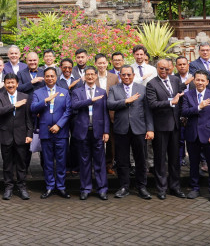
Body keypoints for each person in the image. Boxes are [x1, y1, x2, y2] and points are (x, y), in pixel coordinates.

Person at [107, 65, 153, 200]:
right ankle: (124, 187)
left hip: (139, 129)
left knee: (140, 159)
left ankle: (142, 187)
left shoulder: (142, 89)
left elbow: (147, 111)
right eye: (123, 75)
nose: (126, 77)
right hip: (121, 129)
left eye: (129, 74)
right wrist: (125, 101)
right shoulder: (114, 89)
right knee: (122, 160)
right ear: (120, 76)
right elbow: (109, 104)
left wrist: (150, 128)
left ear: (133, 75)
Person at [145, 58, 186, 199]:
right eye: (161, 68)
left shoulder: (175, 80)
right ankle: (161, 189)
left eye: (166, 69)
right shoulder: (151, 84)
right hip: (161, 127)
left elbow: (181, 98)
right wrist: (170, 103)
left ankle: (175, 187)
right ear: (157, 68)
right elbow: (152, 104)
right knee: (160, 159)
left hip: (175, 126)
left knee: (175, 159)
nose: (164, 71)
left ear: (171, 68)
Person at [30, 67, 71, 199]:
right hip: (45, 131)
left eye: (52, 76)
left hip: (61, 132)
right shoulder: (38, 92)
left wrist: (59, 125)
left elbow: (68, 111)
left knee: (61, 161)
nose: (50, 78)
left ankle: (61, 187)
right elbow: (33, 108)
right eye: (47, 76)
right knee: (47, 162)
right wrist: (45, 101)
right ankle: (49, 187)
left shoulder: (64, 92)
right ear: (44, 77)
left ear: (56, 77)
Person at [181, 69, 210, 201]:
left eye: (202, 80)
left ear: (207, 81)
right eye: (197, 80)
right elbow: (184, 112)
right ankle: (194, 188)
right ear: (193, 80)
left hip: (209, 135)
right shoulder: (188, 95)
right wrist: (199, 106)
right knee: (193, 163)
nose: (199, 82)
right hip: (192, 135)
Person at [70, 66, 110, 200]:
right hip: (83, 132)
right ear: (84, 77)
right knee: (84, 162)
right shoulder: (77, 92)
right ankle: (85, 189)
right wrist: (90, 101)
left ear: (96, 76)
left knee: (100, 162)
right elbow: (74, 106)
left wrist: (106, 131)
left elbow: (105, 113)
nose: (90, 77)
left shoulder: (102, 91)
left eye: (93, 74)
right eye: (88, 75)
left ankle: (102, 189)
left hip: (98, 132)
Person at [0, 73, 33, 200]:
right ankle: (8, 187)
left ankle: (22, 187)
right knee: (7, 164)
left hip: (21, 135)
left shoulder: (25, 97)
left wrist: (29, 133)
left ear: (17, 84)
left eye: (13, 83)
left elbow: (29, 118)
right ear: (4, 84)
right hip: (6, 135)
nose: (10, 85)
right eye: (8, 83)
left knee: (22, 164)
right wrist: (14, 105)